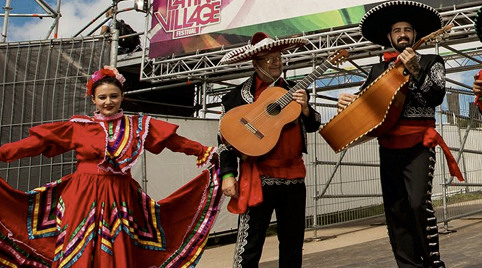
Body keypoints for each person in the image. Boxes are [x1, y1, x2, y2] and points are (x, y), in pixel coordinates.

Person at [0, 66, 221, 267]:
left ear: (122, 97)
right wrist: (3, 153)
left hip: (120, 195)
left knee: (118, 245)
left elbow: (173, 141)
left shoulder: (138, 126)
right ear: (93, 99)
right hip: (81, 196)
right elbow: (36, 144)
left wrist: (202, 151)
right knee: (78, 244)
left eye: (113, 96)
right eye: (102, 97)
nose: (108, 101)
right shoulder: (79, 127)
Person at [337, 1, 464, 267]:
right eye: (397, 30)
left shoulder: (432, 61)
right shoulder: (376, 71)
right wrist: (348, 104)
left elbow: (436, 96)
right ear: (389, 36)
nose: (402, 34)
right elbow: (365, 110)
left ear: (416, 35)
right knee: (395, 210)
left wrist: (416, 69)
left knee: (418, 205)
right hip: (388, 147)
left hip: (419, 144)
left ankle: (432, 263)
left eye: (407, 29)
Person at [217, 32, 322, 268]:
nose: (276, 62)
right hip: (259, 176)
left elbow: (314, 124)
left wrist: (305, 108)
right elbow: (224, 141)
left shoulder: (295, 89)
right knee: (250, 243)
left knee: (293, 242)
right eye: (269, 58)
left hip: (294, 177)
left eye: (279, 57)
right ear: (255, 63)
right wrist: (227, 174)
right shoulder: (235, 97)